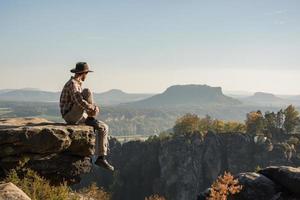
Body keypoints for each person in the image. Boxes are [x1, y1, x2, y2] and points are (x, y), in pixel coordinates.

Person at [59, 62, 114, 171]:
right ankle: (91, 118)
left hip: (77, 114)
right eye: (86, 73)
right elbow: (78, 101)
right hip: (70, 115)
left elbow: (81, 103)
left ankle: (101, 157)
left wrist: (93, 107)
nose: (86, 76)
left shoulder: (77, 83)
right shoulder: (72, 84)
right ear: (83, 73)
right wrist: (93, 109)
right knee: (87, 92)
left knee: (103, 127)